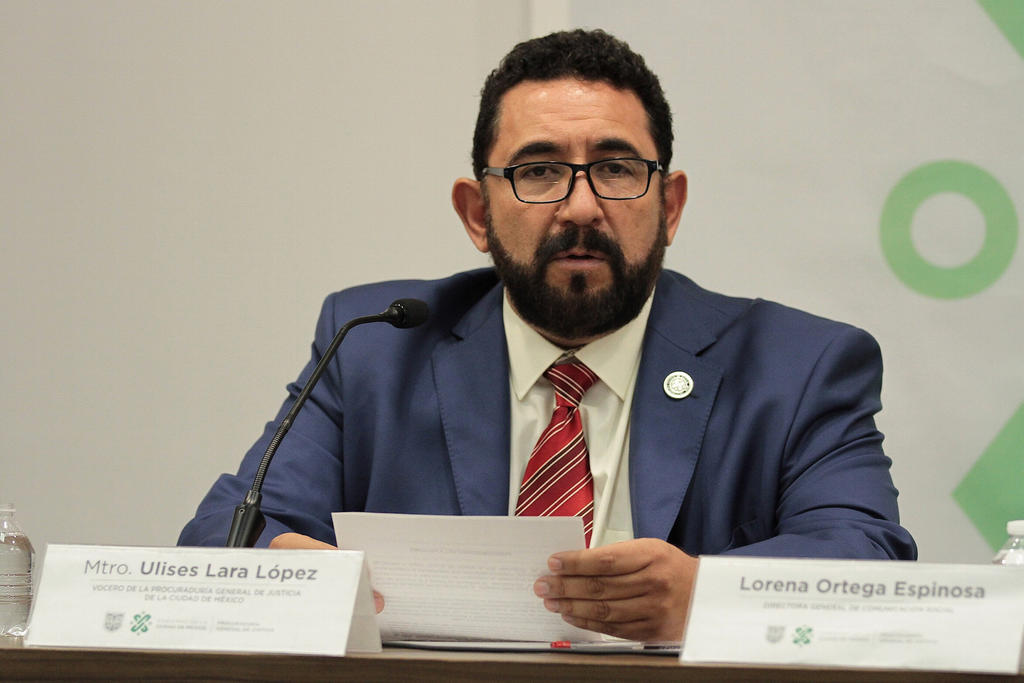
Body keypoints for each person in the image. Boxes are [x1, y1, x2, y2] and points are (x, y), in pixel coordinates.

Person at [179, 29, 916, 641]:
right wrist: (302, 574)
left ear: (670, 206)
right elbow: (224, 531)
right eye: (538, 171)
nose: (582, 207)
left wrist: (708, 595)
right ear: (477, 213)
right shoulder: (375, 348)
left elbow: (869, 559)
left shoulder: (798, 368)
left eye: (616, 168)